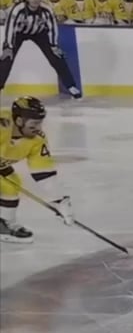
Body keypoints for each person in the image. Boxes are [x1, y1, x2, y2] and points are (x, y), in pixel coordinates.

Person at [0, 97, 75, 244]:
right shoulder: (2, 124)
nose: (38, 128)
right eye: (34, 123)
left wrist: (58, 200)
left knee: (11, 183)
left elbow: (44, 173)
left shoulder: (37, 140)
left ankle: (4, 223)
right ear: (19, 121)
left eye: (40, 123)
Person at [0, 0, 81, 99]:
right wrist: (8, 46)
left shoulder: (46, 9)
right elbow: (10, 27)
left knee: (56, 56)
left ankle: (71, 86)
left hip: (39, 33)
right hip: (19, 34)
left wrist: (53, 45)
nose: (35, 0)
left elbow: (52, 27)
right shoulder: (18, 9)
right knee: (6, 59)